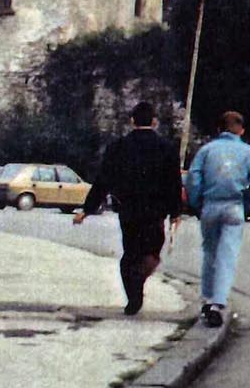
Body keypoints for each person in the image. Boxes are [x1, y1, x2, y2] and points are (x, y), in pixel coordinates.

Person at [74, 102, 184, 316]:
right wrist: (175, 213)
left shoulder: (118, 147)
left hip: (128, 210)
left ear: (132, 121)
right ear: (154, 121)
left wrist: (87, 209)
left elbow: (102, 180)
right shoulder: (167, 148)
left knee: (130, 253)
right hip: (155, 212)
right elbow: (173, 183)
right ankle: (138, 281)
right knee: (151, 252)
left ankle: (133, 297)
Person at [185, 111, 250, 326]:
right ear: (241, 130)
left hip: (210, 205)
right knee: (227, 254)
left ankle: (207, 296)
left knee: (209, 252)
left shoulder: (206, 150)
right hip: (234, 206)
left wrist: (197, 202)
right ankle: (218, 302)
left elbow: (193, 178)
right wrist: (248, 203)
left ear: (219, 129)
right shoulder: (249, 152)